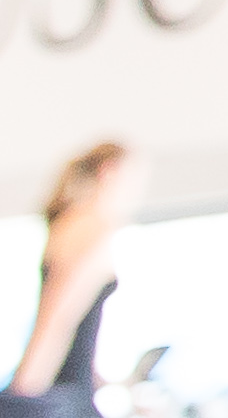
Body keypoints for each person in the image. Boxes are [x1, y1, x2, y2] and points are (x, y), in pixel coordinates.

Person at [11, 140, 135, 396]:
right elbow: (58, 319)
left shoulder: (78, 223)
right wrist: (24, 398)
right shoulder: (90, 226)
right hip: (61, 391)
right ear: (109, 171)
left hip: (68, 384)